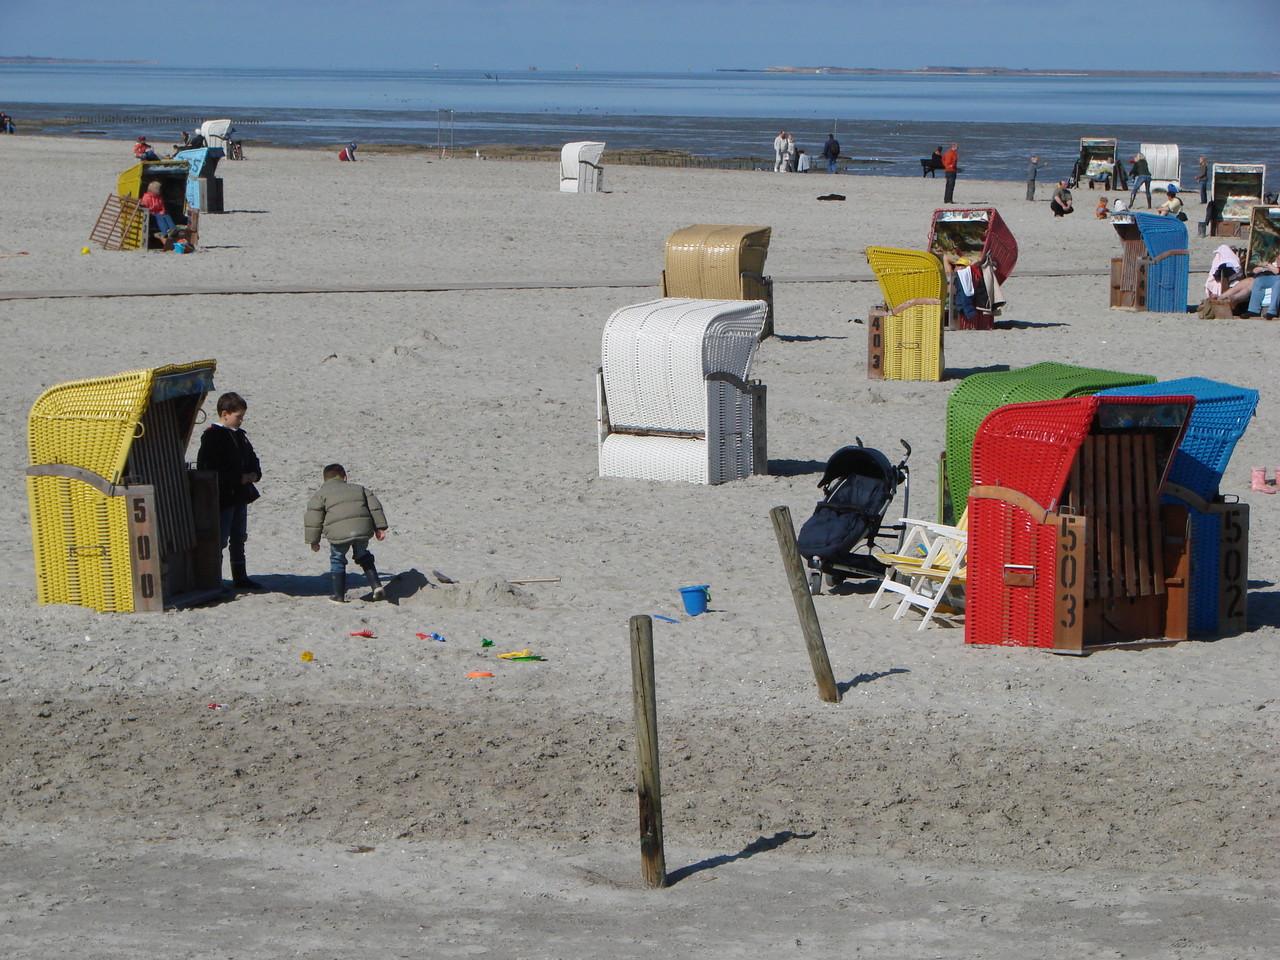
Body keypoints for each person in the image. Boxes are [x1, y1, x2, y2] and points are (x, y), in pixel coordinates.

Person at [197, 392, 264, 591]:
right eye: (238, 416)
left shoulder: (240, 436)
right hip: (223, 497)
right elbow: (208, 468)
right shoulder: (213, 436)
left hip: (240, 496)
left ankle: (240, 577)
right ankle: (213, 579)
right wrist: (238, 477)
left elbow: (252, 458)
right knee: (221, 539)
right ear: (224, 414)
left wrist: (254, 474)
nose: (241, 420)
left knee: (239, 537)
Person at [304, 463, 389, 603]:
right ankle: (376, 586)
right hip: (362, 529)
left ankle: (339, 595)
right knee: (363, 555)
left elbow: (313, 518)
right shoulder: (360, 489)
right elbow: (375, 507)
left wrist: (314, 541)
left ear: (325, 480)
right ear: (345, 477)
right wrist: (380, 528)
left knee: (337, 559)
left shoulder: (320, 494)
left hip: (338, 533)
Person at [1211, 255, 1280, 319]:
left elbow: (1277, 271)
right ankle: (1254, 310)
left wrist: (1268, 265)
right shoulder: (1273, 262)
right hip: (1268, 277)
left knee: (1277, 284)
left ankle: (1272, 312)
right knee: (1258, 281)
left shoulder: (1271, 265)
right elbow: (1255, 270)